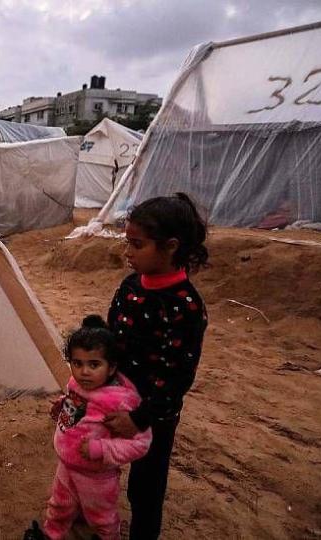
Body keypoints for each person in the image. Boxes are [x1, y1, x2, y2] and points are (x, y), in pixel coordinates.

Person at [104, 193, 209, 539]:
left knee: (145, 488)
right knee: (91, 462)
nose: (128, 252)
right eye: (127, 243)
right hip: (114, 397)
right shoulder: (130, 287)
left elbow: (178, 375)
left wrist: (139, 418)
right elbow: (111, 335)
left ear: (171, 247)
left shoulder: (184, 307)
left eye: (137, 244)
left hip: (154, 415)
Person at [42, 315, 152, 540]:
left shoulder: (120, 400)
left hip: (97, 478)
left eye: (94, 364)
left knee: (101, 519)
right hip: (66, 465)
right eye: (77, 363)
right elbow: (79, 411)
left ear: (111, 368)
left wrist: (101, 450)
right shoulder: (75, 384)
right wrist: (63, 406)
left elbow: (141, 443)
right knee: (58, 507)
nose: (84, 372)